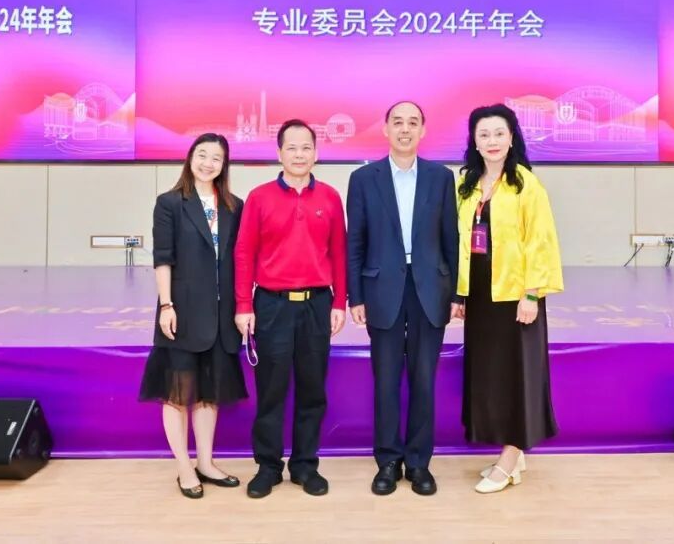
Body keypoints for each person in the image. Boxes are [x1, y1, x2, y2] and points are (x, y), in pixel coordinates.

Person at [346, 101, 459, 496]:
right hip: (382, 290)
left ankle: (418, 462)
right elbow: (355, 242)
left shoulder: (441, 177)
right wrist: (355, 296)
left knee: (424, 379)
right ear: (386, 129)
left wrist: (457, 293)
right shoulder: (364, 179)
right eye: (398, 122)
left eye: (413, 123)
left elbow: (451, 239)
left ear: (423, 130)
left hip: (430, 289)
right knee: (386, 380)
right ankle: (388, 461)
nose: (405, 129)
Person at [234, 119, 348, 499]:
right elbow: (244, 253)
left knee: (313, 390)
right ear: (279, 153)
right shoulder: (259, 197)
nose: (299, 155)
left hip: (317, 305)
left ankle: (304, 465)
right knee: (271, 390)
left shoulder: (330, 197)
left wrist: (339, 301)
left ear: (316, 153)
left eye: (306, 148)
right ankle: (268, 466)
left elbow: (339, 252)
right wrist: (244, 305)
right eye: (292, 148)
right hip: (272, 306)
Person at [455, 103, 564, 494]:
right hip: (481, 295)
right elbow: (459, 242)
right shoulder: (466, 185)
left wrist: (532, 294)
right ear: (474, 141)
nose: (492, 141)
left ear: (512, 137)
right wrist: (459, 292)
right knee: (492, 375)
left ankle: (509, 457)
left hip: (517, 294)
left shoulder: (525, 185)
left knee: (518, 374)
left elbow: (541, 242)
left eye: (499, 133)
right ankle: (513, 455)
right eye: (484, 134)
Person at [139, 133, 246, 499]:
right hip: (182, 313)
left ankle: (205, 462)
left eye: (216, 158)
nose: (207, 163)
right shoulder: (170, 203)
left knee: (208, 395)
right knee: (177, 394)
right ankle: (184, 467)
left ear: (224, 165)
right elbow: (163, 258)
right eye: (202, 155)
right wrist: (166, 305)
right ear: (190, 158)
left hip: (221, 317)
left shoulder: (234, 206)